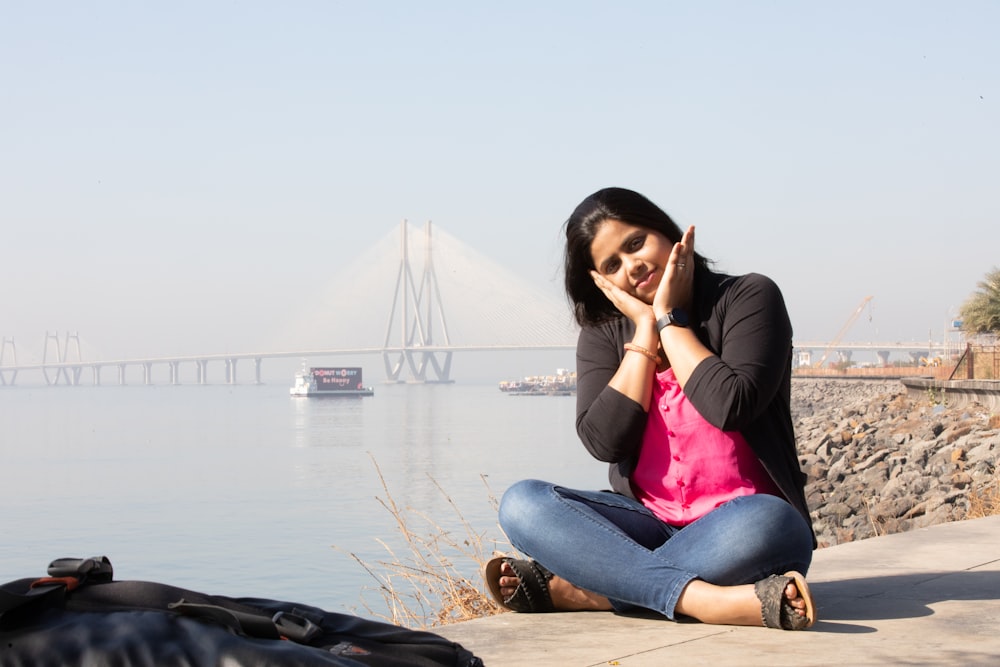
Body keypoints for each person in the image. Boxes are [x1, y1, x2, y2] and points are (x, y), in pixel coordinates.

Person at [484, 187, 817, 630]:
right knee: (522, 504)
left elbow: (730, 405)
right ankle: (704, 601)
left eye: (636, 243)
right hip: (646, 524)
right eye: (612, 265)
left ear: (666, 232)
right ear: (600, 281)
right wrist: (643, 334)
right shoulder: (605, 334)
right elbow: (604, 441)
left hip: (743, 526)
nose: (632, 266)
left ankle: (594, 591)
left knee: (776, 522)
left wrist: (669, 320)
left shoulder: (747, 298)